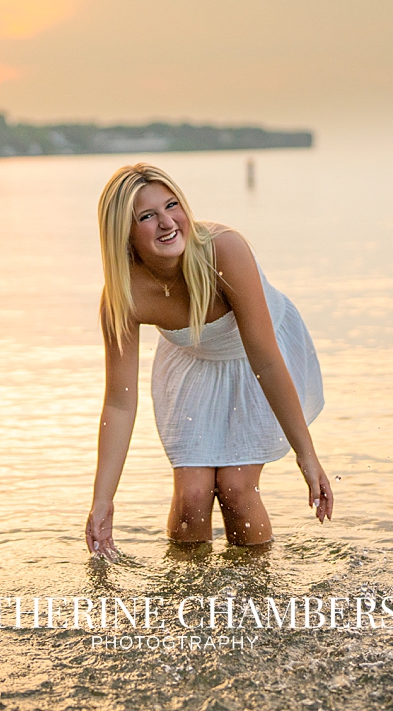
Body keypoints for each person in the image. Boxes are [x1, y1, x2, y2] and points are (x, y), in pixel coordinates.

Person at [85, 163, 333, 558]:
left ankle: (255, 596)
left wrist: (307, 454)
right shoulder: (125, 295)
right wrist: (103, 500)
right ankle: (191, 598)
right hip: (193, 362)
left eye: (172, 205)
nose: (167, 223)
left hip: (259, 357)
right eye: (147, 216)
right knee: (192, 496)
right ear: (124, 233)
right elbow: (119, 401)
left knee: (236, 489)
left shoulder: (223, 249)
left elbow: (265, 361)